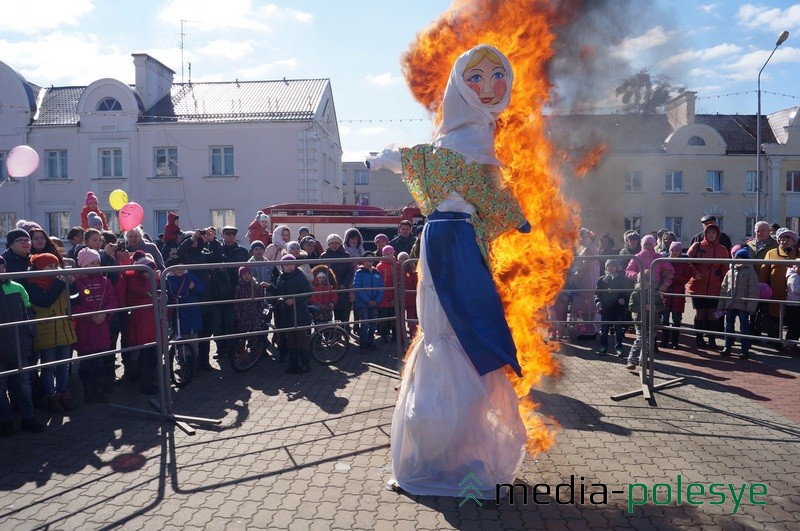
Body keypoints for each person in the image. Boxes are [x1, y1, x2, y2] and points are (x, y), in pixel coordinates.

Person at [369, 44, 530, 497]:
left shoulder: (480, 140)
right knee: (444, 329)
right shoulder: (450, 147)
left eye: (496, 78)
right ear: (461, 85)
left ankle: (455, 447)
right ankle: (437, 449)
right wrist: (384, 158)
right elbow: (422, 162)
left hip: (460, 242)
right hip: (443, 242)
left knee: (465, 329)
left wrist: (514, 214)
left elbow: (486, 191)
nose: (488, 86)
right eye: (475, 78)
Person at [26, 253, 78, 413]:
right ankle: (51, 397)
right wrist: (60, 282)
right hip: (46, 328)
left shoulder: (60, 281)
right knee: (48, 367)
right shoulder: (33, 283)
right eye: (50, 266)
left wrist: (73, 284)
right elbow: (45, 301)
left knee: (64, 365)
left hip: (64, 327)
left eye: (56, 266)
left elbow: (76, 300)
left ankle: (63, 394)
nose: (54, 269)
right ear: (40, 268)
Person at [0, 256, 46, 435]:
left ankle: (28, 417)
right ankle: (5, 421)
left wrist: (29, 333)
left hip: (19, 344)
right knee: (1, 387)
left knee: (23, 384)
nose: (1, 271)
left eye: (2, 267)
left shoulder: (17, 287)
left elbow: (28, 312)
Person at [73, 247, 119, 403]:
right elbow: (74, 306)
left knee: (99, 364)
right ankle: (88, 392)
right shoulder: (76, 282)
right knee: (86, 364)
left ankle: (99, 391)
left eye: (98, 262)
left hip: (102, 328)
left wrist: (105, 313)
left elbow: (113, 300)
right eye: (92, 263)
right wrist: (91, 316)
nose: (96, 265)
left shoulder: (105, 281)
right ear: (83, 265)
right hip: (86, 329)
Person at [686, 223, 729, 350]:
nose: (711, 235)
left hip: (715, 287)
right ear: (705, 233)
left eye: (713, 233)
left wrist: (725, 285)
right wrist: (694, 273)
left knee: (712, 313)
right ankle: (699, 338)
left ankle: (712, 339)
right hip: (698, 285)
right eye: (709, 232)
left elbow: (725, 269)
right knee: (700, 313)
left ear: (717, 235)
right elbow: (686, 261)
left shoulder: (722, 249)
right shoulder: (697, 245)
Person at [269, 255, 314, 374]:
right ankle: (294, 364)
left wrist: (294, 300)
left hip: (299, 311)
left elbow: (309, 292)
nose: (289, 266)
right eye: (286, 264)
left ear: (295, 265)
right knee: (291, 338)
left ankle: (306, 364)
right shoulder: (281, 277)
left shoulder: (300, 276)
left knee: (301, 337)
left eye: (291, 264)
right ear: (282, 266)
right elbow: (279, 293)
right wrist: (269, 287)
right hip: (287, 312)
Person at [760, 228, 800, 352]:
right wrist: (762, 288)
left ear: (793, 241)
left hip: (794, 295)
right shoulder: (771, 253)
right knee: (775, 318)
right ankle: (775, 342)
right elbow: (763, 272)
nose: (784, 241)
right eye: (782, 238)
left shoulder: (798, 253)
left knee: (794, 321)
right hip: (776, 293)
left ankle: (790, 343)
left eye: (788, 238)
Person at [717, 248, 759, 358]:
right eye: (737, 257)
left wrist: (750, 306)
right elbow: (724, 288)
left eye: (741, 258)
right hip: (730, 304)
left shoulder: (751, 272)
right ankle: (727, 346)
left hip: (743, 305)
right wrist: (721, 304)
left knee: (744, 328)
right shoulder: (730, 271)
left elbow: (753, 290)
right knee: (729, 327)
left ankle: (744, 350)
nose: (739, 260)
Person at [627, 272, 664, 370]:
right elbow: (631, 307)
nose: (646, 283)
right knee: (641, 340)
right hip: (640, 320)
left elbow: (662, 305)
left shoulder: (655, 293)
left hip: (653, 321)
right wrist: (643, 307)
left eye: (648, 281)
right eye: (644, 281)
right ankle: (631, 359)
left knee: (648, 342)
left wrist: (655, 308)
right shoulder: (636, 292)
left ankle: (643, 360)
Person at [568, 228, 601, 339]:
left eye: (582, 237)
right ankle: (589, 330)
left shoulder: (589, 250)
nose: (580, 239)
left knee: (586, 305)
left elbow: (586, 267)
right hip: (589, 278)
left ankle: (588, 331)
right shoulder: (590, 248)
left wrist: (576, 276)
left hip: (587, 280)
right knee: (588, 305)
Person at [595, 259, 631, 357]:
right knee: (604, 329)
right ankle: (603, 347)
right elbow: (597, 293)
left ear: (617, 267)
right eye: (608, 266)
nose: (610, 268)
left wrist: (624, 299)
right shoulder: (602, 279)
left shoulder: (622, 279)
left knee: (618, 329)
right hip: (605, 308)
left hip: (617, 309)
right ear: (606, 267)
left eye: (613, 266)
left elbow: (627, 292)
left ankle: (619, 348)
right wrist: (598, 301)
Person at [661, 242, 692, 349]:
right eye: (672, 250)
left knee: (676, 319)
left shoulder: (684, 263)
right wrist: (663, 276)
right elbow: (659, 274)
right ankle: (665, 340)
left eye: (676, 250)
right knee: (664, 319)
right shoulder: (663, 261)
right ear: (669, 251)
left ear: (680, 251)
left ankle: (675, 342)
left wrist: (674, 277)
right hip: (666, 294)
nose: (674, 252)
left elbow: (686, 278)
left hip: (678, 294)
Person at [320, 234, 355, 327]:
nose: (334, 245)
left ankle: (342, 333)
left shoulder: (346, 255)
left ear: (340, 243)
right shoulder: (324, 256)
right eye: (332, 243)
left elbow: (350, 271)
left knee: (342, 313)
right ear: (328, 244)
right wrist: (326, 283)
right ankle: (330, 335)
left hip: (342, 288)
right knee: (328, 311)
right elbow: (321, 271)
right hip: (328, 288)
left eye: (336, 243)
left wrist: (344, 284)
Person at [352, 251, 383, 352]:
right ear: (363, 261)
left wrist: (377, 300)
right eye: (367, 257)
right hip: (363, 303)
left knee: (373, 323)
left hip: (374, 302)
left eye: (371, 257)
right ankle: (363, 343)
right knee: (365, 323)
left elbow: (381, 287)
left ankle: (371, 342)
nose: (370, 259)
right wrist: (368, 300)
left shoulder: (377, 272)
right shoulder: (359, 272)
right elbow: (357, 287)